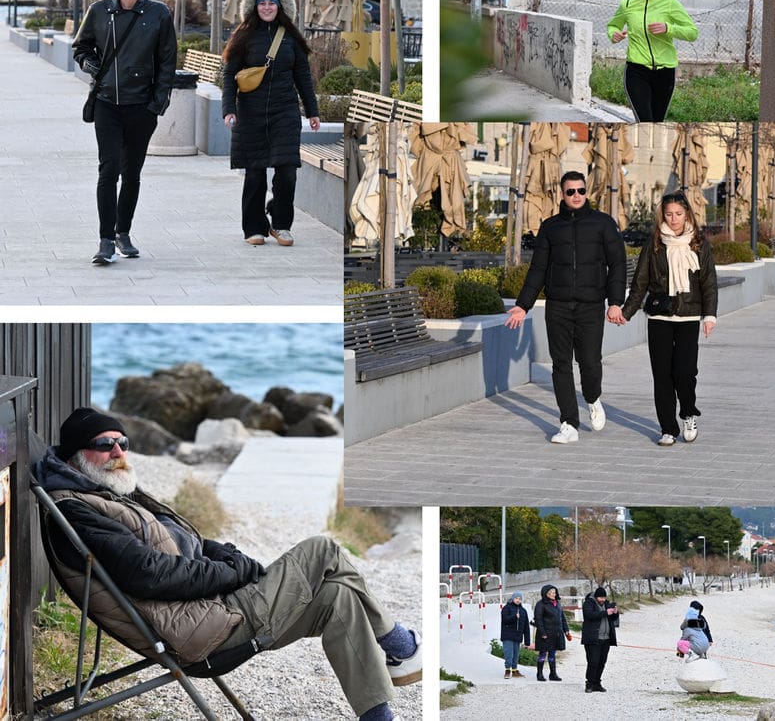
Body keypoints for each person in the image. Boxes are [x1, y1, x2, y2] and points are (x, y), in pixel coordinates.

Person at [31, 407, 421, 721]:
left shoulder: (108, 490)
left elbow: (191, 542)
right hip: (203, 631)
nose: (118, 452)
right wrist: (235, 571)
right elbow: (151, 575)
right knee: (324, 550)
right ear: (76, 455)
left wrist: (229, 555)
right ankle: (403, 645)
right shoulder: (79, 510)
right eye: (104, 444)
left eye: (122, 442)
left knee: (339, 597)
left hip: (211, 609)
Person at [505, 171, 628, 444]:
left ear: (587, 192)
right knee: (561, 365)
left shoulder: (603, 224)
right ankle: (569, 423)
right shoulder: (550, 227)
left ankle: (593, 398)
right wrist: (523, 305)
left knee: (590, 362)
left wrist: (615, 302)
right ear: (562, 194)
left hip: (591, 306)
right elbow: (538, 268)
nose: (576, 196)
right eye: (570, 191)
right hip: (558, 306)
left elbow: (618, 265)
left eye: (580, 191)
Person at [72, 0, 177, 266]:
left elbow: (168, 62)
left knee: (132, 173)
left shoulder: (158, 14)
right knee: (109, 170)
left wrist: (156, 105)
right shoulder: (99, 11)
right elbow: (81, 47)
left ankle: (123, 232)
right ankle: (105, 240)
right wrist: (88, 63)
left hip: (142, 107)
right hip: (107, 103)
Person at [222, 0, 321, 247]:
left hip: (285, 111)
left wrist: (312, 111)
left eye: (272, 4)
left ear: (281, 8)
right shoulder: (244, 36)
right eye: (262, 3)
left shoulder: (291, 38)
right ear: (255, 7)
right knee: (255, 173)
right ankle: (254, 227)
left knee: (287, 171)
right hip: (250, 113)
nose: (267, 7)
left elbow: (303, 77)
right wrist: (229, 109)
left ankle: (281, 224)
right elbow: (230, 75)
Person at [621, 191, 718, 446]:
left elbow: (708, 282)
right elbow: (640, 282)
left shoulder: (698, 243)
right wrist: (626, 312)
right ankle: (667, 428)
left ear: (687, 214)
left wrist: (710, 315)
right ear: (662, 215)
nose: (673, 219)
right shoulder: (654, 244)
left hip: (688, 315)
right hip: (660, 316)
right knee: (662, 374)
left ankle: (688, 413)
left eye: (678, 214)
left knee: (685, 372)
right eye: (668, 214)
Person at [606, 0, 699, 123]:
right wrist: (614, 34)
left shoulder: (669, 2)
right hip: (637, 70)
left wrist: (668, 28)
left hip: (665, 72)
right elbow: (613, 25)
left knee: (657, 122)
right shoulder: (627, 4)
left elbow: (692, 33)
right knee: (645, 122)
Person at [580, 586, 619, 693]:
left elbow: (613, 619)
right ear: (596, 597)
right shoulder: (588, 603)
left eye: (604, 598)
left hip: (606, 639)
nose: (602, 600)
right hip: (593, 638)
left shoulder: (607, 604)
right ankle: (589, 683)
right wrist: (606, 612)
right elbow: (590, 615)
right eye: (600, 598)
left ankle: (597, 683)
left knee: (602, 662)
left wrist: (615, 613)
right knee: (593, 661)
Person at [531, 584, 571, 682]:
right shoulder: (540, 604)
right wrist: (543, 632)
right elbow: (538, 620)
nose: (554, 594)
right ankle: (539, 674)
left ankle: (553, 674)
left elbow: (562, 618)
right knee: (543, 654)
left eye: (554, 592)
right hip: (545, 634)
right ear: (546, 594)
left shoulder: (557, 603)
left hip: (556, 633)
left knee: (552, 654)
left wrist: (566, 630)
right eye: (552, 593)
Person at [499, 591, 531, 679]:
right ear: (512, 598)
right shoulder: (507, 608)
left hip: (518, 636)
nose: (518, 600)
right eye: (516, 598)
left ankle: (514, 670)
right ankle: (507, 670)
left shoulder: (523, 611)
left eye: (520, 599)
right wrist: (514, 617)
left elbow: (526, 627)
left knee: (516, 654)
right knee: (509, 653)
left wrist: (527, 641)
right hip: (508, 635)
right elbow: (505, 620)